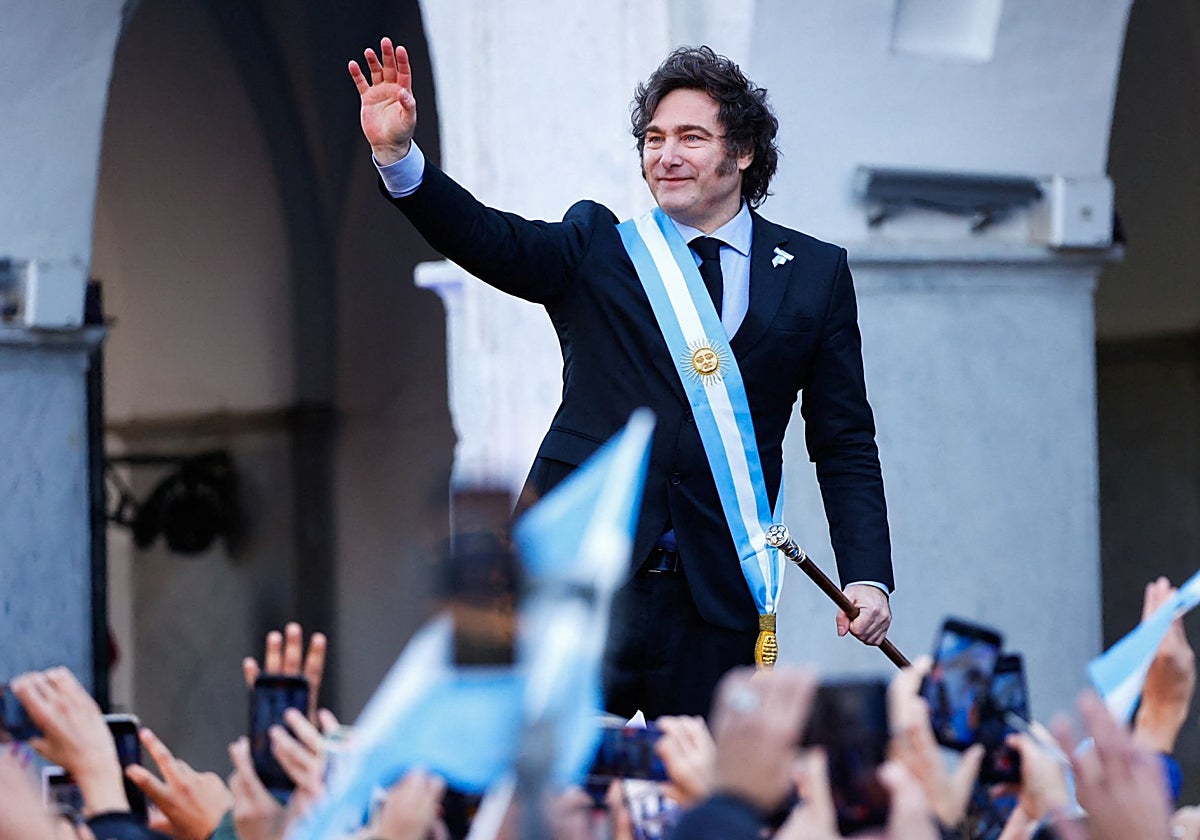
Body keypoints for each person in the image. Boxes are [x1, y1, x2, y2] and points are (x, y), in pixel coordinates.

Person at [348, 39, 894, 718]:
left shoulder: (814, 273)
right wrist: (400, 159)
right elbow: (488, 238)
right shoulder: (596, 249)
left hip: (718, 596)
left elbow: (843, 441)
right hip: (578, 584)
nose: (666, 155)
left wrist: (867, 577)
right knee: (555, 804)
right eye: (654, 137)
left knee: (696, 804)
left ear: (744, 153)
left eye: (691, 137)